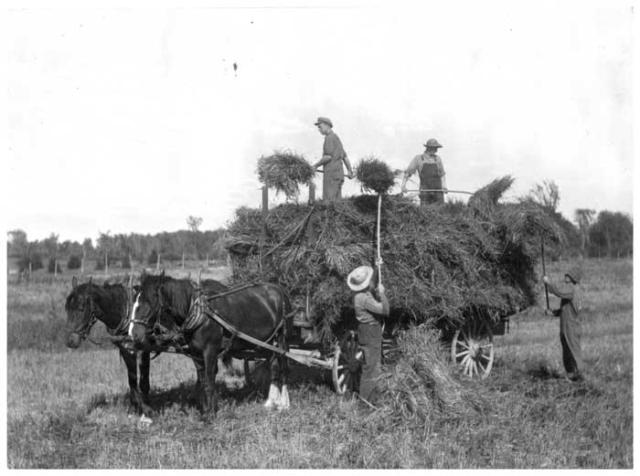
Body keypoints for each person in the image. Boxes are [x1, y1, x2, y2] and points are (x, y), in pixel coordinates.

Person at [347, 264, 390, 403]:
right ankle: (365, 402)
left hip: (366, 330)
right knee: (370, 368)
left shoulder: (359, 295)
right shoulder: (363, 298)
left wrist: (378, 266)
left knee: (372, 366)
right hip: (371, 331)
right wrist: (382, 293)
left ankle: (373, 399)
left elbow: (372, 283)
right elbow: (385, 310)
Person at [543, 267, 584, 382]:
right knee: (567, 352)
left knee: (574, 351)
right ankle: (571, 375)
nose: (565, 276)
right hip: (566, 327)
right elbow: (565, 310)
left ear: (573, 278)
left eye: (568, 275)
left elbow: (559, 291)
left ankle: (580, 376)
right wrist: (552, 312)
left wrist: (548, 283)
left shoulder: (571, 289)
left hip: (571, 327)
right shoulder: (571, 291)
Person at [313, 117, 354, 202]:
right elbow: (345, 157)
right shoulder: (336, 138)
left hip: (331, 175)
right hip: (339, 175)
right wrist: (350, 171)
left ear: (327, 125)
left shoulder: (329, 138)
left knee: (328, 202)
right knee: (337, 202)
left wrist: (315, 165)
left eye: (320, 127)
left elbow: (328, 157)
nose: (319, 129)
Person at [400, 138, 447, 206]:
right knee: (425, 212)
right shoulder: (418, 158)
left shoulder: (438, 159)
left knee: (440, 211)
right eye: (434, 148)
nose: (436, 150)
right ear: (428, 148)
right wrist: (403, 185)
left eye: (436, 148)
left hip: (438, 191)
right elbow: (408, 173)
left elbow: (442, 174)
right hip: (425, 191)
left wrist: (444, 186)